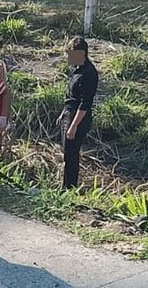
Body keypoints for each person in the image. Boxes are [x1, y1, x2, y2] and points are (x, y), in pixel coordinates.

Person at [59, 37, 98, 189]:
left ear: (81, 54)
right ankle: (65, 186)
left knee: (71, 155)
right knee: (67, 154)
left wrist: (74, 125)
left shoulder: (89, 73)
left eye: (71, 54)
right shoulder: (77, 69)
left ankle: (69, 188)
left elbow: (85, 102)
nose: (68, 58)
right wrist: (63, 114)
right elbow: (71, 96)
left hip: (78, 117)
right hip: (69, 114)